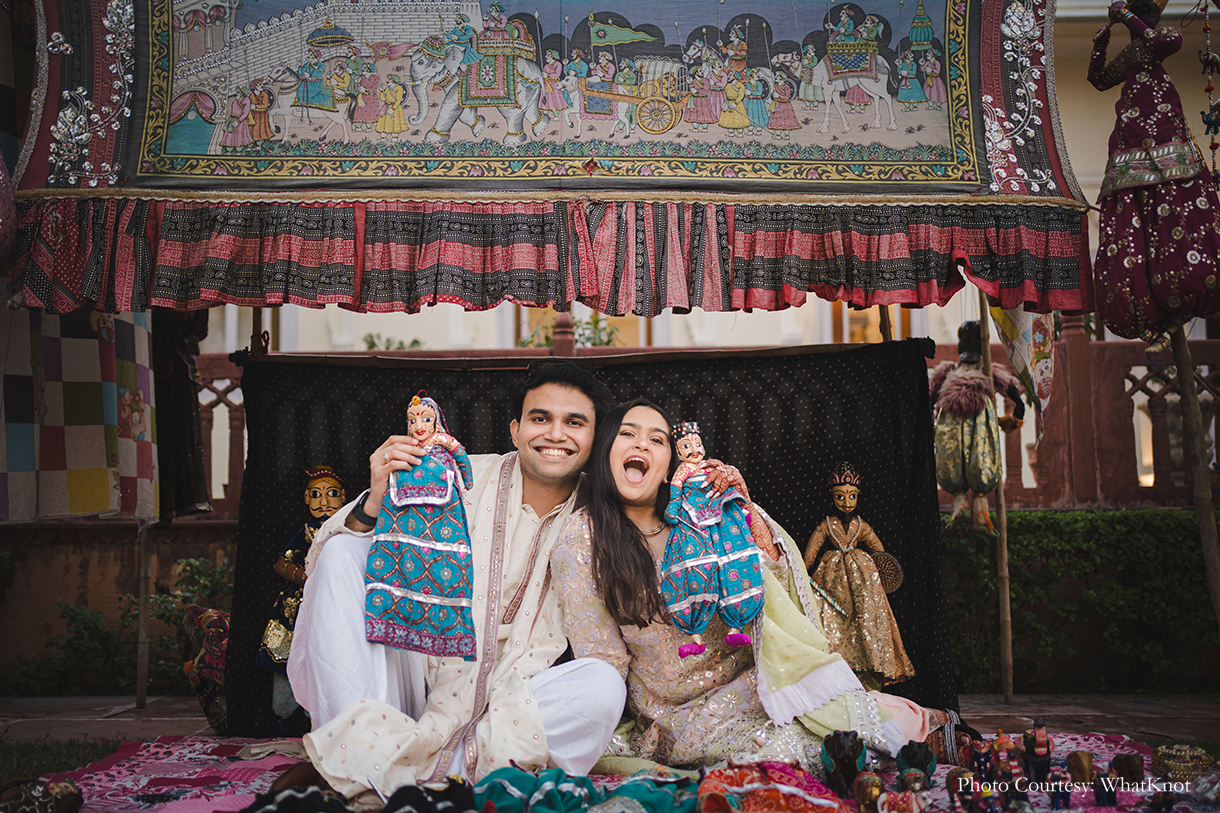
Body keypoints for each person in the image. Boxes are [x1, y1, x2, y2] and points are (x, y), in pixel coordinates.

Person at [287, 361, 625, 799]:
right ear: (515, 430)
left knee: (602, 685)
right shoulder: (454, 473)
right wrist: (373, 498)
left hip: (512, 708)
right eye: (541, 418)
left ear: (595, 438)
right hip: (408, 682)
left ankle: (371, 770)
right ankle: (381, 755)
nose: (556, 434)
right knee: (342, 552)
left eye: (574, 422)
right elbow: (331, 546)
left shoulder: (605, 519)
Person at [551, 399, 936, 772]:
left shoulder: (703, 512)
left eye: (656, 439)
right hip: (677, 712)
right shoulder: (582, 540)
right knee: (784, 755)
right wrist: (606, 728)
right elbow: (603, 662)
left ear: (671, 466)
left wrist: (743, 506)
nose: (641, 444)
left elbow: (776, 584)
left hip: (756, 683)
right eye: (628, 434)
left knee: (880, 724)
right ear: (604, 453)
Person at [1089, 0, 1220, 349]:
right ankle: (1149, 304)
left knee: (1174, 206)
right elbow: (1099, 80)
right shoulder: (1133, 51)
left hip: (1163, 131)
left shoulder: (1162, 36)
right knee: (1136, 216)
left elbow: (1160, 43)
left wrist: (1125, 18)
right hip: (1129, 135)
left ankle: (1176, 299)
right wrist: (1101, 42)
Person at [364, 393, 476, 660]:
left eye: (426, 419)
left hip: (443, 514)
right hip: (403, 515)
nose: (419, 426)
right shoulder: (401, 454)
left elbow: (461, 457)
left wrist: (467, 480)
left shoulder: (442, 446)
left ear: (437, 422)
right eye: (412, 420)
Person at [660, 420, 768, 659]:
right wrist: (674, 505)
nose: (695, 450)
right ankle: (695, 636)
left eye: (698, 444)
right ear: (678, 453)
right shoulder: (684, 470)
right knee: (701, 568)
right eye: (687, 446)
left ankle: (735, 626)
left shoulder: (713, 469)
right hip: (695, 515)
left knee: (732, 562)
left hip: (719, 513)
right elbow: (676, 489)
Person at [803, 462, 915, 686]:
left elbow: (880, 552)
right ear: (832, 497)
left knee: (866, 619)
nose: (846, 503)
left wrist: (880, 572)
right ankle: (831, 676)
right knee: (828, 620)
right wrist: (802, 572)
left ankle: (868, 670)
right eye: (840, 497)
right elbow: (811, 553)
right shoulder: (827, 525)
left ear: (858, 497)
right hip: (830, 579)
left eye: (852, 497)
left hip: (862, 580)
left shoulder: (861, 526)